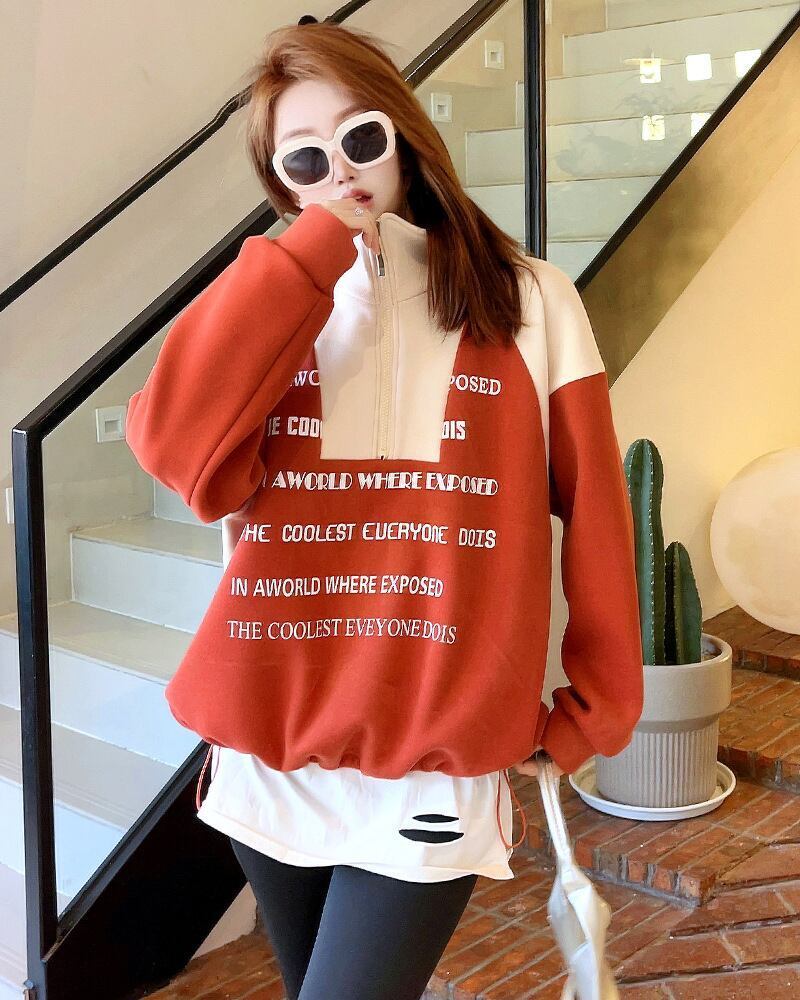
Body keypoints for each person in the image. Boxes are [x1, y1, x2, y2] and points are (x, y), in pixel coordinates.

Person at [125, 18, 644, 1000]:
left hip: (432, 759)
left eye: (361, 138)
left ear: (404, 135)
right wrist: (311, 251)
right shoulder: (271, 308)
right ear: (282, 185)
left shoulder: (532, 300)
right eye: (306, 159)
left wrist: (597, 705)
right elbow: (183, 460)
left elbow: (598, 517)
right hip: (270, 744)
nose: (343, 171)